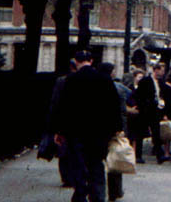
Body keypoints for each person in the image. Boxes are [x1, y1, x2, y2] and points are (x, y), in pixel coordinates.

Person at [51, 50, 122, 202]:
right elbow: (114, 106)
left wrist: (59, 131)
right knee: (96, 164)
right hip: (99, 133)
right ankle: (97, 196)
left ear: (76, 62)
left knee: (78, 164)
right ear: (91, 61)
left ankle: (80, 194)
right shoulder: (104, 79)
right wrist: (117, 129)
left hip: (76, 132)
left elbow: (63, 107)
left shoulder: (71, 80)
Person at [98, 62, 130, 202]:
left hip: (97, 130)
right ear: (111, 72)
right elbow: (122, 109)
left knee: (97, 162)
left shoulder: (95, 86)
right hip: (114, 129)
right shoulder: (119, 88)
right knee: (115, 160)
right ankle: (115, 191)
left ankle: (98, 191)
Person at [48, 59, 78, 188]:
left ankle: (66, 178)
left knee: (64, 150)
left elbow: (55, 102)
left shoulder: (61, 81)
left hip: (64, 120)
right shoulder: (83, 80)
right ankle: (75, 176)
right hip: (78, 121)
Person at [134, 62, 171, 164]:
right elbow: (139, 95)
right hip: (145, 110)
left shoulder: (161, 82)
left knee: (156, 132)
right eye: (162, 70)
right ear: (156, 70)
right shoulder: (145, 81)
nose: (163, 73)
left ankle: (160, 155)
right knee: (140, 133)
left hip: (156, 110)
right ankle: (138, 155)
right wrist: (142, 106)